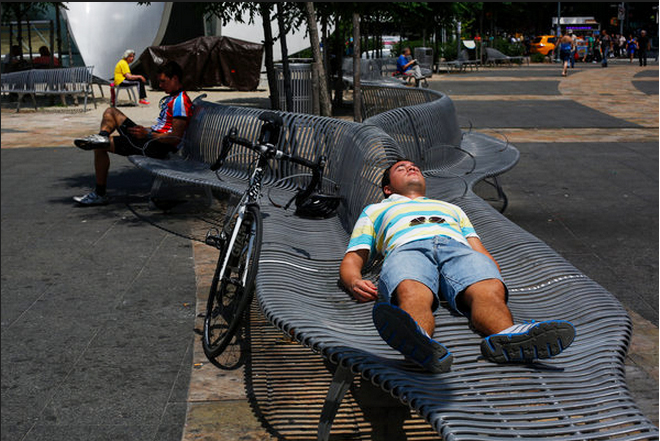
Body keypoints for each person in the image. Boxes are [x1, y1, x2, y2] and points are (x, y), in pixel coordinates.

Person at [339, 159, 576, 373]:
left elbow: (477, 248)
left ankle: (507, 337)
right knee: (411, 291)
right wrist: (354, 281)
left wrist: (493, 277)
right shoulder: (375, 210)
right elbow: (353, 257)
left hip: (457, 250)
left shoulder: (452, 208)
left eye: (414, 167)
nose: (411, 168)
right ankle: (419, 342)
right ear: (388, 189)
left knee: (487, 291)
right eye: (401, 168)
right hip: (408, 248)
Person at [72, 61, 192, 206]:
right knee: (111, 112)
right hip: (151, 139)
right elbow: (164, 128)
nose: (160, 85)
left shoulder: (180, 101)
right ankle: (102, 136)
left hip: (157, 147)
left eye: (163, 81)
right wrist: (146, 130)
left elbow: (175, 137)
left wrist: (147, 135)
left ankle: (99, 193)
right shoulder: (173, 98)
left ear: (175, 79)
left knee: (99, 146)